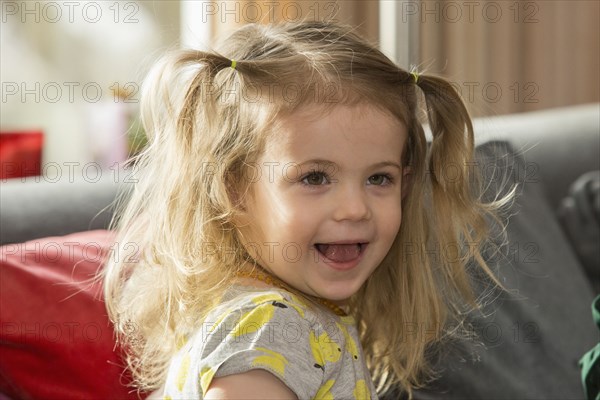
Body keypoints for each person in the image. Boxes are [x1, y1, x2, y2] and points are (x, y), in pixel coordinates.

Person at [103, 20, 508, 399]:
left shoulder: (278, 312)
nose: (354, 209)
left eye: (379, 179)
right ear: (233, 190)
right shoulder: (269, 327)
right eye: (315, 178)